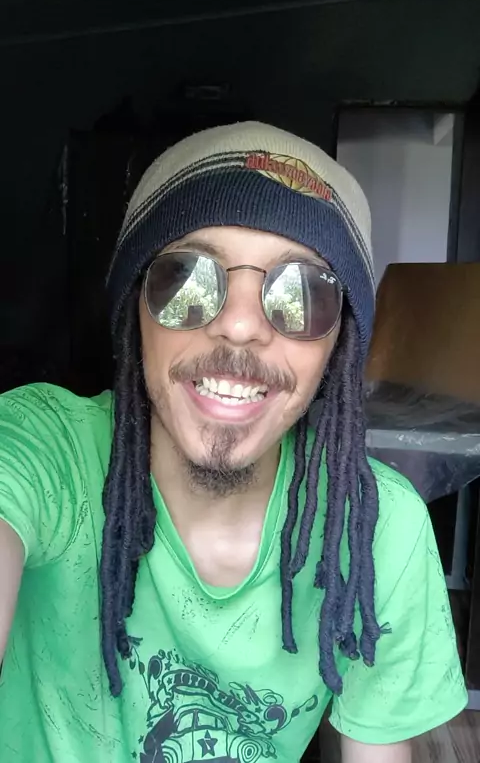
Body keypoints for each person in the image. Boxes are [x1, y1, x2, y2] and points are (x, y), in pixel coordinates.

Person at [0, 121, 467, 762]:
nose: (241, 325)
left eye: (303, 292)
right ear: (135, 306)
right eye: (188, 276)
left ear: (338, 344)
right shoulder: (41, 450)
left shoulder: (376, 528)